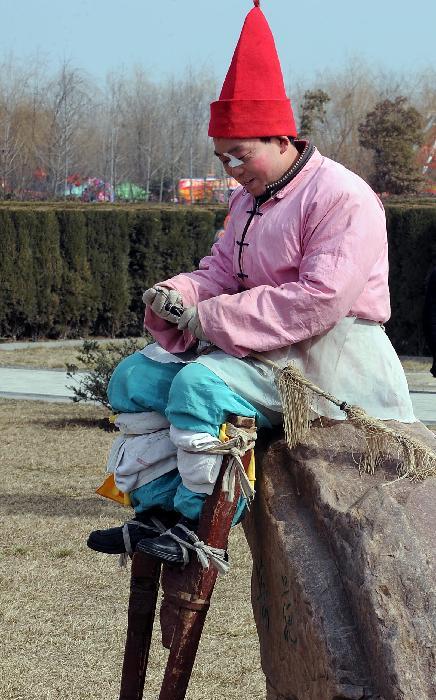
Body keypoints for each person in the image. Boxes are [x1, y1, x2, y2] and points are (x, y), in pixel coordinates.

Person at [87, 0, 415, 567]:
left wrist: (209, 319)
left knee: (199, 389)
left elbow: (320, 301)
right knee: (134, 379)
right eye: (223, 158)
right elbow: (219, 273)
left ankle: (196, 527)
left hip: (329, 356)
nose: (231, 169)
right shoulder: (248, 201)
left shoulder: (345, 197)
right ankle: (156, 513)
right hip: (259, 343)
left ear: (282, 139)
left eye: (240, 155)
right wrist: (180, 296)